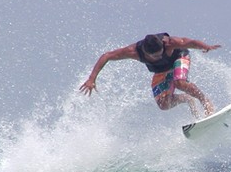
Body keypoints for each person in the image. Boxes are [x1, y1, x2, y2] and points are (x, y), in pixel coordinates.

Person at [80, 33, 221, 117]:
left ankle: (205, 102)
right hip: (161, 71)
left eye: (160, 53)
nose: (158, 57)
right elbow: (107, 56)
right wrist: (92, 78)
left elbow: (188, 42)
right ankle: (188, 99)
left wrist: (205, 46)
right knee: (164, 105)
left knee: (180, 82)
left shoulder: (170, 43)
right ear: (145, 53)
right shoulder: (133, 52)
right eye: (154, 56)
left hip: (179, 57)